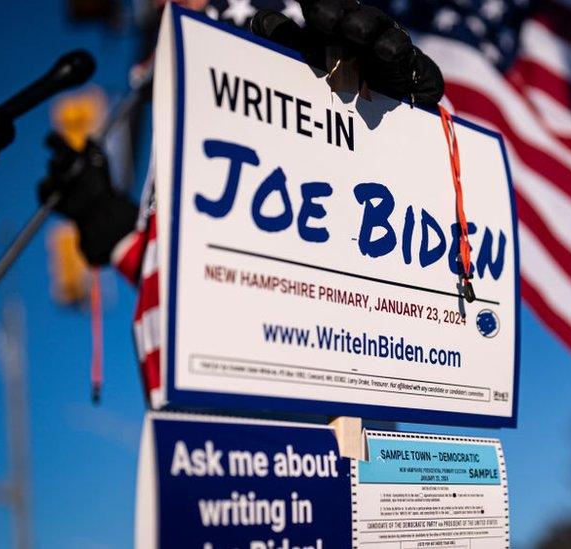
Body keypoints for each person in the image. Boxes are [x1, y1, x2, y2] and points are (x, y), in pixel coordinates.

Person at [38, 0, 445, 405]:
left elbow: (342, 229)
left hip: (304, 415)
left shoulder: (272, 20)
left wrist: (391, 118)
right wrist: (120, 235)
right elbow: (208, 264)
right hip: (186, 416)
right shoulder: (176, 63)